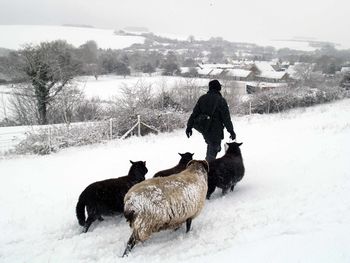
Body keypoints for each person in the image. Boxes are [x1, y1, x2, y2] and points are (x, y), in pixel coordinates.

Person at [186, 79, 236, 161]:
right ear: (218, 88)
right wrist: (231, 131)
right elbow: (226, 118)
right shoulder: (221, 100)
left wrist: (189, 127)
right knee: (213, 151)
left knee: (213, 147)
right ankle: (208, 168)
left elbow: (194, 114)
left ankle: (208, 166)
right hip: (216, 130)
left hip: (204, 129)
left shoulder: (202, 98)